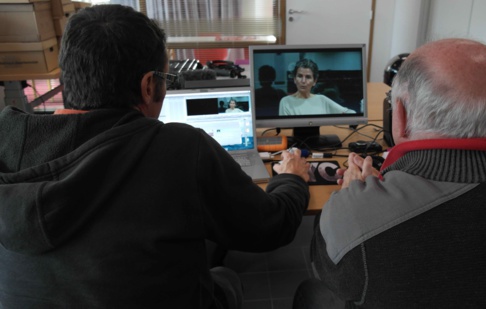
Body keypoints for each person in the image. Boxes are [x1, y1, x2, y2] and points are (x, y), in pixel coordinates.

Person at [0, 5, 311, 309]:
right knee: (225, 277)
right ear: (148, 86)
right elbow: (272, 226)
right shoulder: (180, 149)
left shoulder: (7, 139)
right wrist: (291, 178)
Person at [294, 38, 486, 308]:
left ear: (398, 115)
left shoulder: (356, 213)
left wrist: (352, 200)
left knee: (311, 291)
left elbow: (328, 270)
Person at [278, 58, 356, 116]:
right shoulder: (286, 102)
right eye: (300, 76)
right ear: (295, 79)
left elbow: (351, 113)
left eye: (308, 77)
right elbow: (284, 129)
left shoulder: (322, 100)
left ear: (314, 81)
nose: (303, 81)